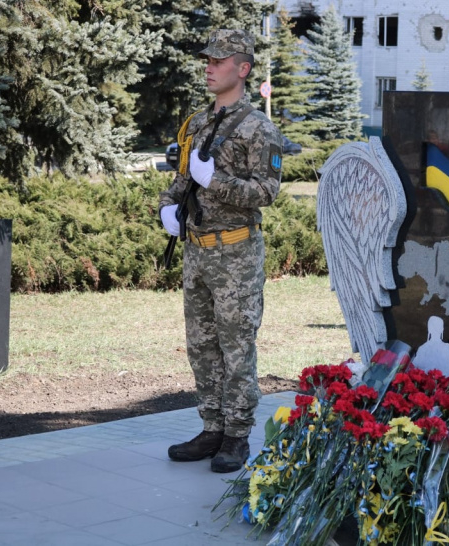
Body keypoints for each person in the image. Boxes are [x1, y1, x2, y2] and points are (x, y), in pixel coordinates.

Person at [158, 29, 283, 473]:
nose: (208, 67)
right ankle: (211, 427)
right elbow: (181, 180)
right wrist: (168, 207)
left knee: (236, 347)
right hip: (197, 254)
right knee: (202, 346)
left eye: (218, 60)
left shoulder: (258, 127)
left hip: (236, 257)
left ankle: (236, 435)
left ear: (243, 68)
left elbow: (268, 191)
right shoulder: (196, 123)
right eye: (206, 60)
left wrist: (218, 183)